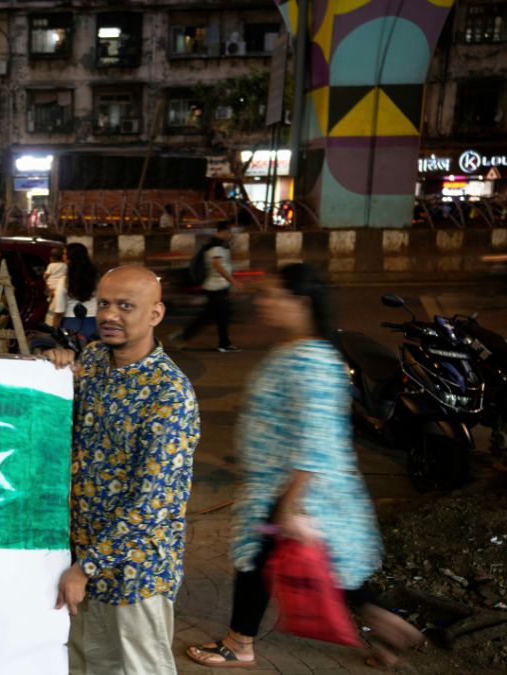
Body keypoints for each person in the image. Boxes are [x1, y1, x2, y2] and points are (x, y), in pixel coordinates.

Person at [187, 264, 423, 670]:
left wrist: (291, 506)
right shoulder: (300, 350)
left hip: (291, 491)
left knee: (259, 561)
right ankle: (392, 629)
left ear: (301, 303)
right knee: (326, 570)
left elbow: (314, 438)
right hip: (291, 489)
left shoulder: (310, 360)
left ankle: (239, 644)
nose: (263, 302)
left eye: (272, 294)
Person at [43, 265, 200, 675]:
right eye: (105, 304)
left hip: (135, 575)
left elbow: (153, 503)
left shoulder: (170, 394)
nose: (110, 315)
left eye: (126, 306)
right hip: (80, 559)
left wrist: (87, 567)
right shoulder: (93, 360)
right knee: (81, 664)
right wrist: (54, 366)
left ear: (155, 314)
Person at [173, 222, 239, 352]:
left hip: (217, 285)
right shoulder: (216, 245)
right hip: (216, 286)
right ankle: (223, 344)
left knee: (215, 316)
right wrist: (233, 281)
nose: (231, 235)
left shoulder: (216, 244)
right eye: (229, 232)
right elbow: (218, 265)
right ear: (224, 231)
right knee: (217, 316)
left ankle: (184, 337)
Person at [61, 242, 98, 340]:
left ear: (70, 257)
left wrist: (54, 326)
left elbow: (59, 309)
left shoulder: (65, 280)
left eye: (65, 254)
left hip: (71, 322)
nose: (63, 257)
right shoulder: (96, 277)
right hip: (94, 322)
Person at [44, 246, 67, 327]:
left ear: (51, 258)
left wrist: (45, 280)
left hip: (52, 288)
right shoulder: (65, 266)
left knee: (52, 307)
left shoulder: (51, 266)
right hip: (59, 288)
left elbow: (46, 276)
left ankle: (51, 326)